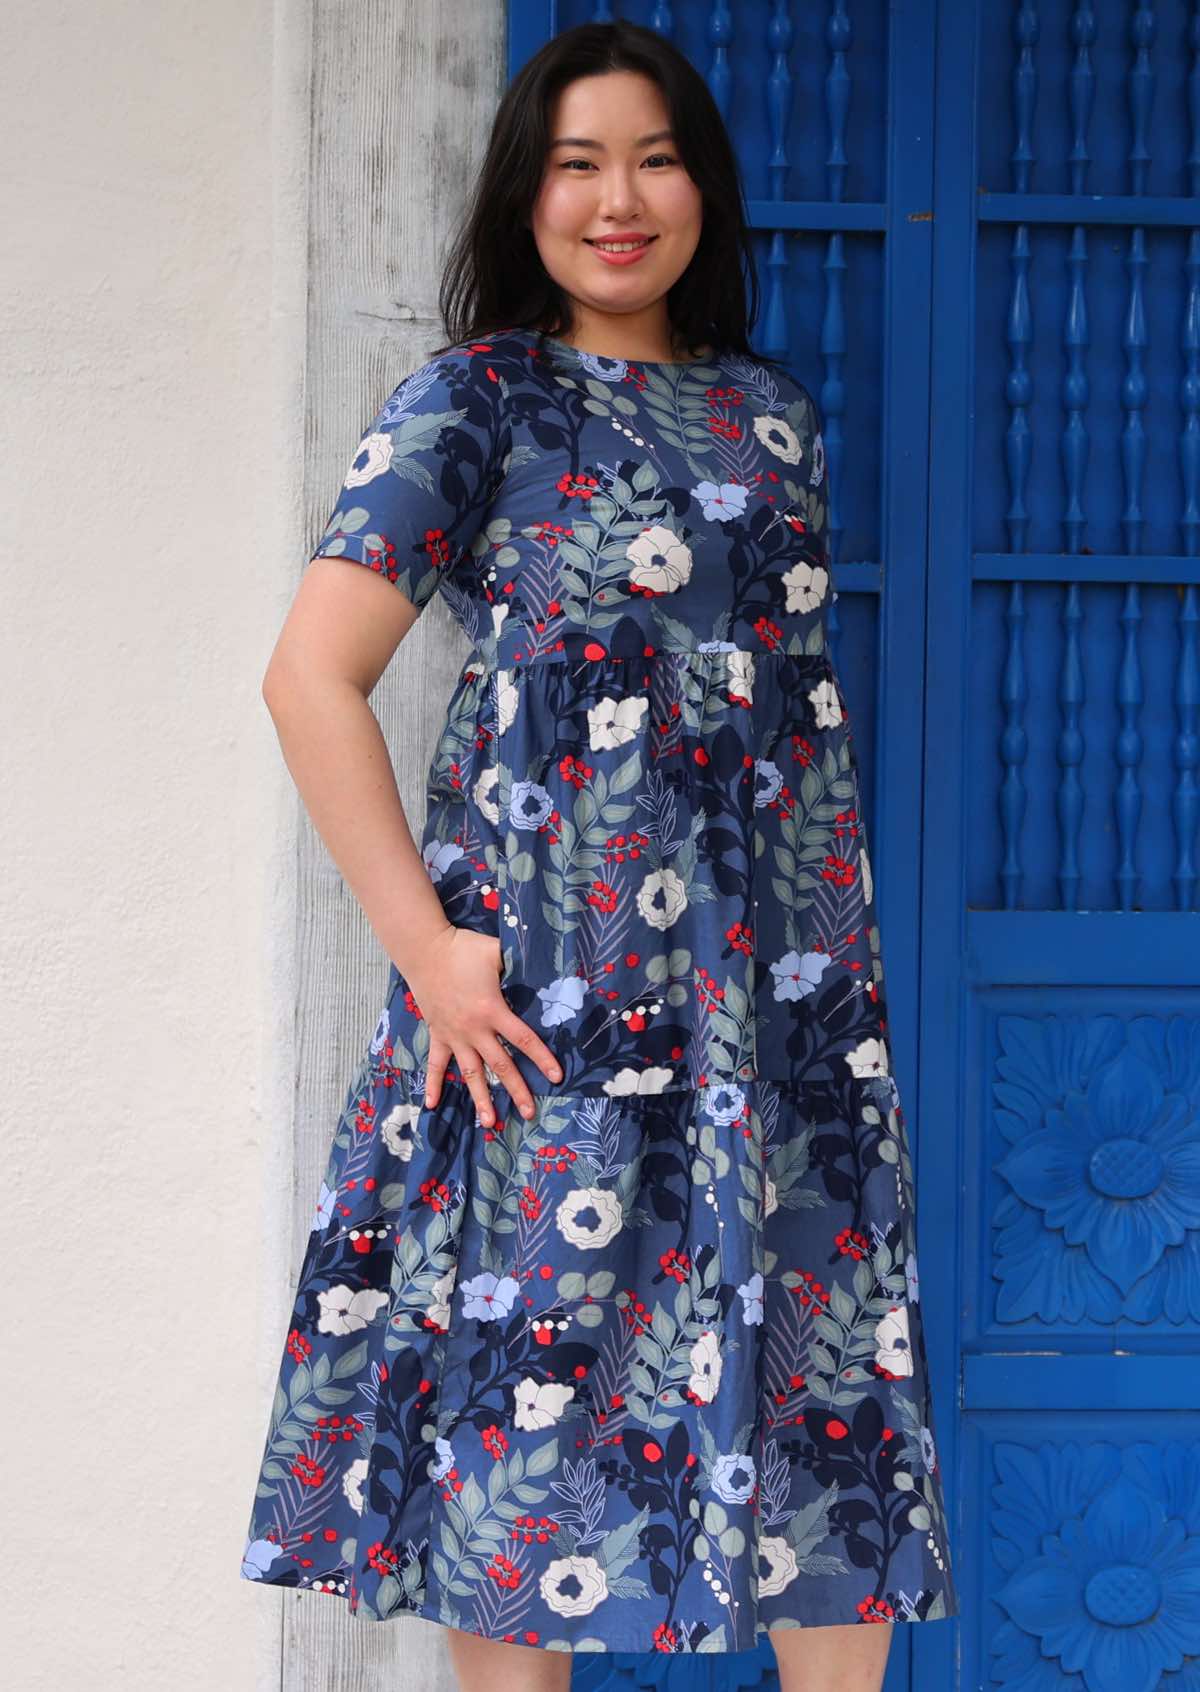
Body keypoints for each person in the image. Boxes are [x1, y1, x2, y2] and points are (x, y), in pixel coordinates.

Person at [240, 19, 959, 1692]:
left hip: (779, 1013)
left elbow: (771, 714)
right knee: (531, 1437)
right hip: (553, 1001)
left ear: (701, 184)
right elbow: (308, 677)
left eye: (654, 157)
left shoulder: (771, 418)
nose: (619, 199)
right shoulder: (476, 398)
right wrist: (429, 947)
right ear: (527, 194)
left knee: (824, 1394)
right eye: (578, 164)